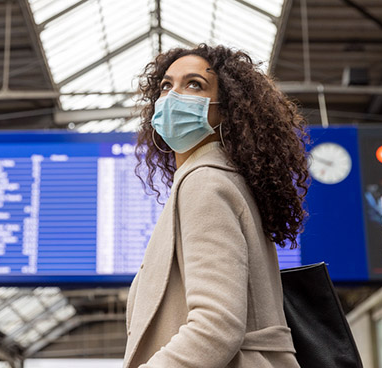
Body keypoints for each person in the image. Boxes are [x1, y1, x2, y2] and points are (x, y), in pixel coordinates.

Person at [124, 44, 310, 368]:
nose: (172, 96)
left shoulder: (204, 183)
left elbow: (216, 326)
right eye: (166, 85)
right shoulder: (227, 180)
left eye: (194, 84)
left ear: (227, 109)